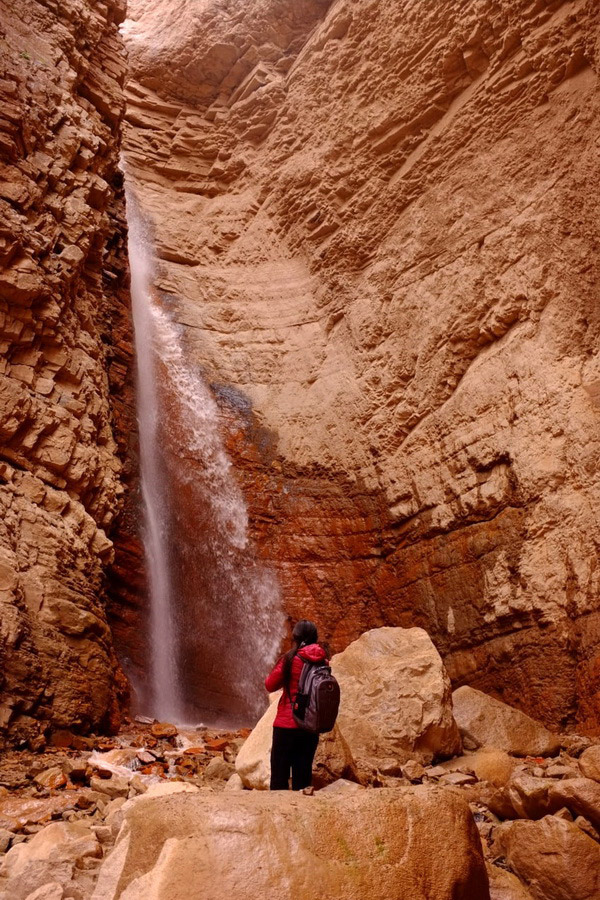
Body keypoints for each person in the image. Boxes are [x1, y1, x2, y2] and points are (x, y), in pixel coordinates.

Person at [265, 619, 327, 791]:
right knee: (303, 777)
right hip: (310, 725)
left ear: (295, 638)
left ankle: (281, 816)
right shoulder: (323, 661)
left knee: (279, 777)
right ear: (315, 637)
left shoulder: (290, 659)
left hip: (286, 725)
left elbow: (270, 685)